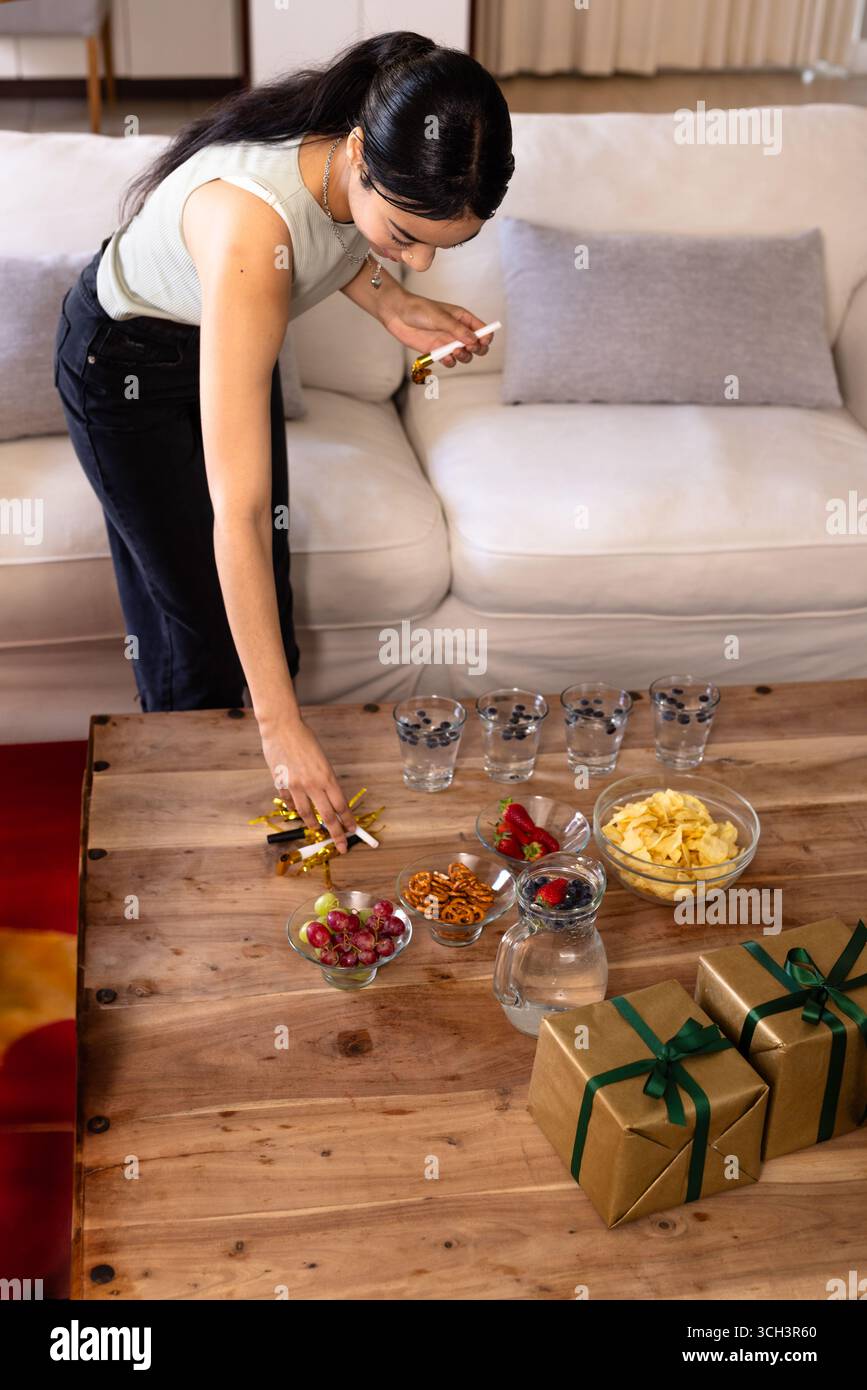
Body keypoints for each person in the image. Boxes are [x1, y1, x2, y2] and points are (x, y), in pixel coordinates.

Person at [54, 29, 514, 851]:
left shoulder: (343, 141)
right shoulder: (246, 230)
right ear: (360, 153)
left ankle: (268, 799)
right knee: (192, 630)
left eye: (440, 248)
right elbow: (237, 512)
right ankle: (194, 849)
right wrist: (282, 728)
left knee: (263, 590)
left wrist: (391, 304)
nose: (418, 262)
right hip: (125, 366)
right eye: (405, 235)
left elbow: (333, 233)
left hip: (219, 336)